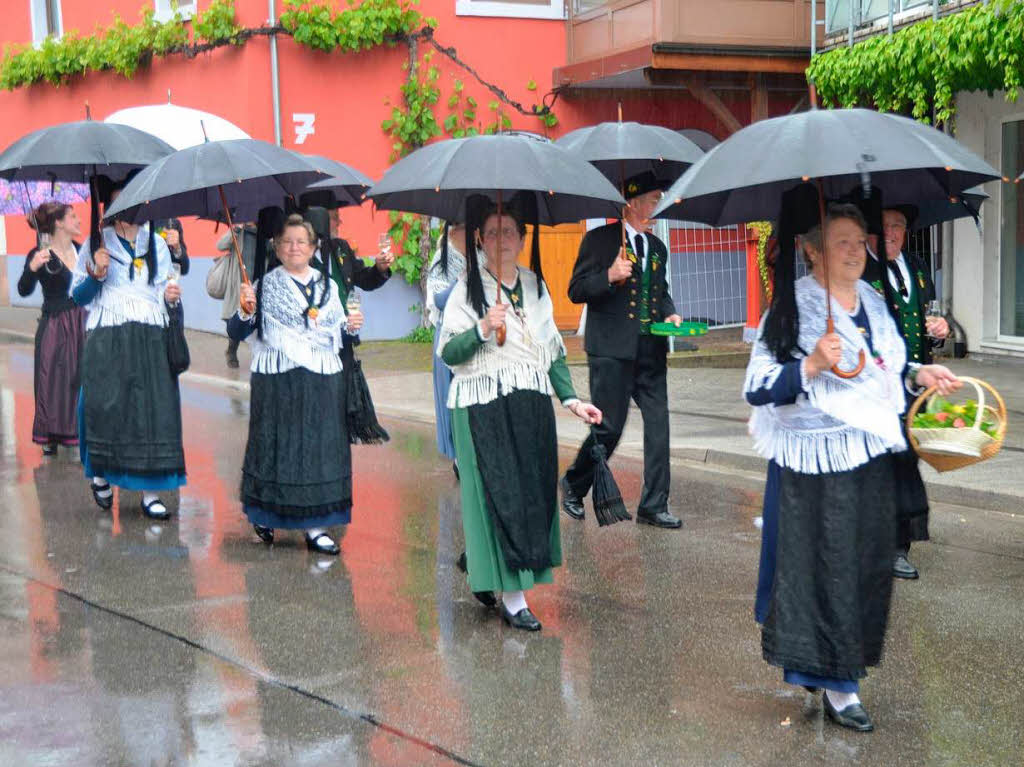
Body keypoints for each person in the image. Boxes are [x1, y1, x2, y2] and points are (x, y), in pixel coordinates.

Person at [745, 194, 959, 732]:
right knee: (830, 572)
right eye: (840, 242)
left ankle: (824, 667)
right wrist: (812, 365)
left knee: (862, 570)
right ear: (813, 252)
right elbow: (758, 387)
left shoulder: (872, 298)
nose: (854, 251)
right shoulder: (792, 309)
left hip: (870, 456)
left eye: (858, 241)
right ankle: (842, 688)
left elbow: (882, 365)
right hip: (815, 466)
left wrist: (917, 375)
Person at [439, 197, 602, 630]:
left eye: (508, 232)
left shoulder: (534, 285)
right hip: (480, 406)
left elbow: (551, 351)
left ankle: (480, 560)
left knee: (528, 495)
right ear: (479, 238)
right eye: (491, 232)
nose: (501, 240)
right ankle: (514, 598)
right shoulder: (467, 290)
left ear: (522, 237)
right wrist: (481, 327)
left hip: (529, 404)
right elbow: (450, 355)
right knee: (499, 493)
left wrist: (571, 399)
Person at [561, 171, 684, 529]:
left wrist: (670, 313)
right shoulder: (600, 241)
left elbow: (660, 292)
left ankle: (653, 504)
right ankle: (573, 482)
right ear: (631, 202)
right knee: (609, 428)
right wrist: (609, 276)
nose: (655, 206)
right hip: (611, 351)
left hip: (650, 351)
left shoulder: (656, 247)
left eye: (658, 199)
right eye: (651, 199)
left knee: (659, 425)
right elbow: (576, 290)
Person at [228, 213, 351, 556]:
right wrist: (245, 312)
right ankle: (266, 515)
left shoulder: (328, 286)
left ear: (313, 248)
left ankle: (316, 526)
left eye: (301, 241)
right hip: (277, 380)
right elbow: (237, 333)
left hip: (321, 380)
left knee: (316, 450)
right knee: (276, 447)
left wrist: (353, 327)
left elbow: (340, 334)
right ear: (277, 249)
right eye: (287, 242)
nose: (294, 247)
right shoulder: (264, 285)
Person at [71, 174, 186, 520]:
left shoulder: (158, 244)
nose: (128, 209)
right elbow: (78, 298)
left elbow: (164, 290)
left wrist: (170, 298)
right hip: (109, 337)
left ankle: (150, 492)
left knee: (153, 413)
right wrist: (96, 276)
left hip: (150, 336)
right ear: (110, 207)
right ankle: (101, 475)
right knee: (103, 408)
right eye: (121, 202)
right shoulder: (96, 243)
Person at [862, 204, 951, 580]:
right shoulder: (860, 272)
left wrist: (938, 329)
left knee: (906, 462)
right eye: (884, 227)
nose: (892, 234)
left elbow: (924, 320)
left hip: (916, 386)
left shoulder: (916, 267)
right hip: (878, 388)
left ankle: (896, 543)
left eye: (898, 226)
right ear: (870, 233)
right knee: (886, 466)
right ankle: (888, 546)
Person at [18, 202, 87, 455]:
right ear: (59, 223)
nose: (79, 220)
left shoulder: (83, 251)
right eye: (73, 216)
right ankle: (50, 435)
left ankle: (78, 430)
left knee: (80, 379)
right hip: (55, 324)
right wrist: (32, 266)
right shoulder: (41, 253)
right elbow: (23, 289)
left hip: (82, 322)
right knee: (52, 381)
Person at [425, 219, 468, 469]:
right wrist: (460, 280)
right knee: (451, 399)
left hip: (475, 335)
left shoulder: (482, 256)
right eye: (468, 229)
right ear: (454, 232)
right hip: (449, 337)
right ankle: (458, 457)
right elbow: (438, 300)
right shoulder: (443, 258)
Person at [215, 223, 258, 368]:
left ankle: (258, 354)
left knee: (256, 321)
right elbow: (220, 246)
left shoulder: (263, 232)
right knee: (234, 319)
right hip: (238, 284)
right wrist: (235, 229)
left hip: (256, 282)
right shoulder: (239, 232)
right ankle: (231, 351)